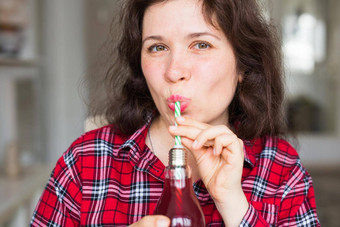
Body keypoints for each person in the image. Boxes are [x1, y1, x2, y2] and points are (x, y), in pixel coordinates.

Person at [30, 0, 320, 226]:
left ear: (243, 65)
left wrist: (233, 203)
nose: (173, 71)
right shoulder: (85, 162)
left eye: (201, 44)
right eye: (157, 47)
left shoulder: (282, 171)